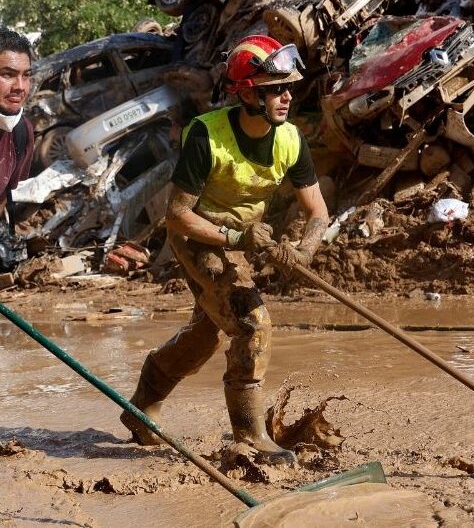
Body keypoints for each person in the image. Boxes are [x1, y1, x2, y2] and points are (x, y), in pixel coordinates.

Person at [121, 35, 329, 465]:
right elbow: (177, 215)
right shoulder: (206, 134)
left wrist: (303, 251)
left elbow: (318, 212)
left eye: (289, 87)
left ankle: (143, 405)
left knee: (208, 331)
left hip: (243, 238)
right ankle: (250, 437)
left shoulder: (290, 139)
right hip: (200, 239)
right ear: (248, 93)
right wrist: (236, 238)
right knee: (252, 324)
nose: (287, 96)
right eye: (276, 89)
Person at [0, 27, 34, 228]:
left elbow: (3, 195)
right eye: (7, 74)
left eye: (26, 75)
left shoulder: (21, 132)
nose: (20, 86)